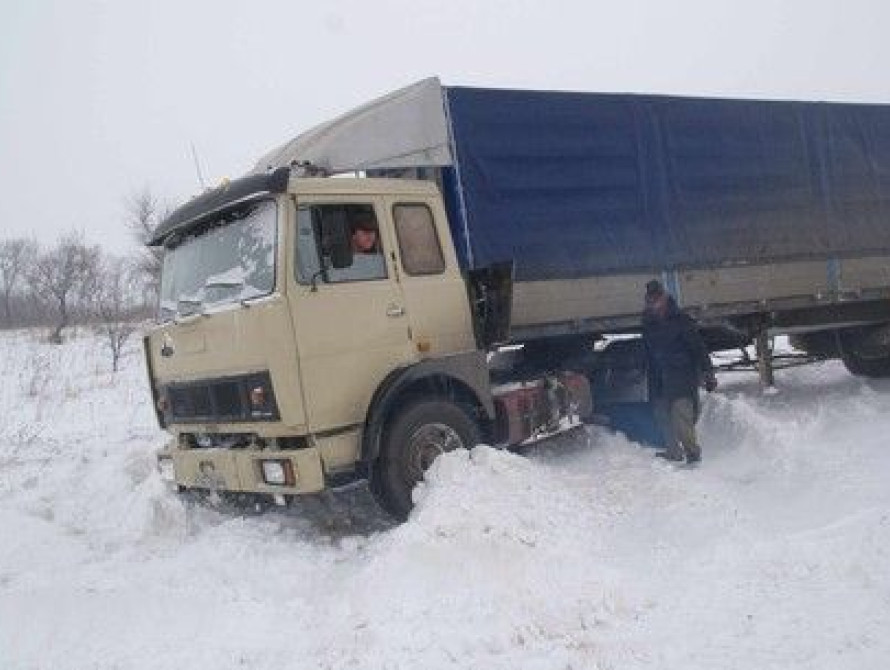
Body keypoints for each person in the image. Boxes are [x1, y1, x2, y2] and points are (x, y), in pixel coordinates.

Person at [642, 280, 717, 464]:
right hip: (659, 376)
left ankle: (693, 453)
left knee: (681, 417)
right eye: (651, 300)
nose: (654, 304)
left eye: (657, 299)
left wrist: (708, 372)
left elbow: (698, 348)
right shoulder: (648, 322)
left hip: (682, 376)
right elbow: (649, 352)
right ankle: (673, 451)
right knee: (661, 414)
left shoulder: (681, 320)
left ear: (664, 297)